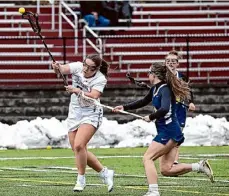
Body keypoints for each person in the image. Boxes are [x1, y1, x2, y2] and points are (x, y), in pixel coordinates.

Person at [113, 62, 214, 196]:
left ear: (154, 75)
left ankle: (153, 191)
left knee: (147, 158)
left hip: (169, 131)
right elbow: (143, 101)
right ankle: (199, 166)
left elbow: (165, 108)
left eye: (149, 73)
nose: (148, 75)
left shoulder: (165, 89)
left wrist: (151, 116)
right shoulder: (155, 89)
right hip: (168, 131)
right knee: (166, 169)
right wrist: (124, 107)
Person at [51, 54, 114, 193]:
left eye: (89, 67)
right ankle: (104, 172)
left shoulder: (100, 78)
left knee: (79, 145)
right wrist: (56, 68)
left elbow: (94, 95)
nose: (84, 68)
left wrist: (77, 90)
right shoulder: (78, 67)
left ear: (96, 68)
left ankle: (81, 179)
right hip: (75, 112)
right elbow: (62, 69)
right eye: (85, 64)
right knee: (77, 149)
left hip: (91, 112)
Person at [165, 50, 196, 164]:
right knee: (168, 137)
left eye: (173, 61)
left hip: (180, 110)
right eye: (168, 61)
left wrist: (191, 102)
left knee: (177, 136)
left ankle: (174, 161)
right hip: (166, 110)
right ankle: (169, 160)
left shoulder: (182, 77)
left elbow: (189, 91)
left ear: (177, 63)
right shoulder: (161, 77)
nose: (170, 63)